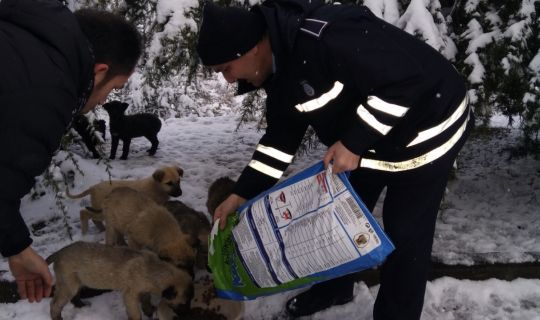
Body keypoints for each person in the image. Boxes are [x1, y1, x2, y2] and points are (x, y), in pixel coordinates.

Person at [196, 0, 474, 319]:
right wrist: (240, 193)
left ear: (253, 47)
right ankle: (335, 287)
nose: (228, 81)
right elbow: (279, 142)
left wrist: (353, 142)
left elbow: (404, 83)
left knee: (405, 236)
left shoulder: (328, 37)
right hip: (370, 141)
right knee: (337, 219)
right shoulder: (279, 68)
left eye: (226, 69)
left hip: (428, 127)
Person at [0, 0, 142, 303]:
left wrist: (14, 247)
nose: (104, 101)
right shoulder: (47, 93)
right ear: (99, 71)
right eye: (112, 89)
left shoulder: (24, 35)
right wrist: (18, 246)